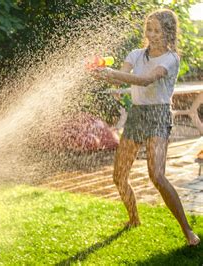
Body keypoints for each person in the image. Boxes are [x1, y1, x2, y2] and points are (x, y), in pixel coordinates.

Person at [90, 8, 200, 246]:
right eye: (149, 29)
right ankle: (133, 219)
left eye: (157, 30)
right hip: (137, 115)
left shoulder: (171, 59)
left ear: (168, 32)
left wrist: (114, 75)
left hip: (158, 115)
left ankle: (188, 231)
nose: (151, 34)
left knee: (157, 176)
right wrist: (105, 74)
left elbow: (147, 79)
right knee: (119, 176)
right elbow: (123, 74)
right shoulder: (135, 54)